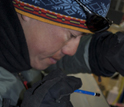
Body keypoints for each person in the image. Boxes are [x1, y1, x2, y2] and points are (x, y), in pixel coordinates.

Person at [1, 0, 124, 107]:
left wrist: (99, 51)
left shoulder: (19, 49)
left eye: (81, 36)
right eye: (71, 35)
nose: (71, 51)